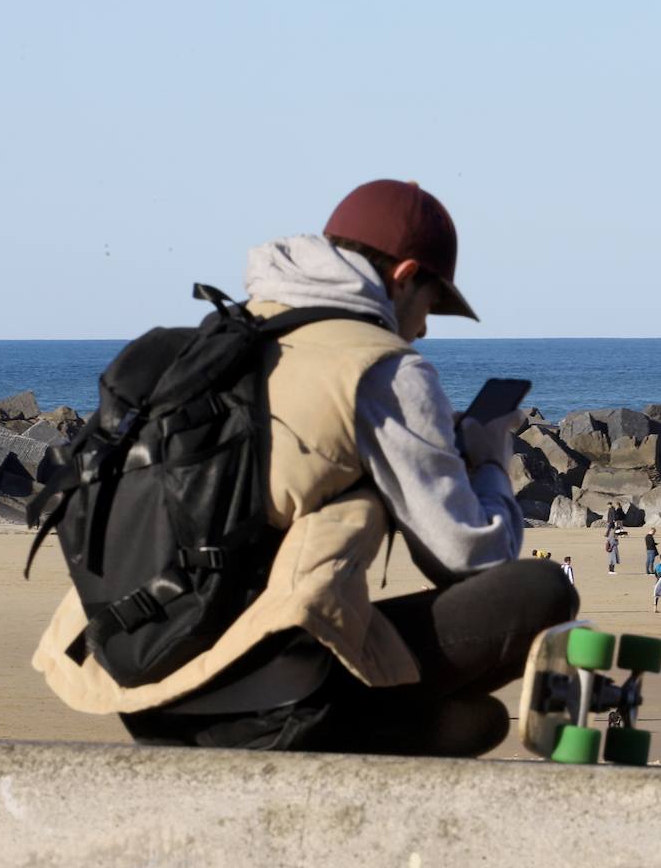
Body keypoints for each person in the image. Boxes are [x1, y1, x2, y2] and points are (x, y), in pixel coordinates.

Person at [35, 179, 577, 757]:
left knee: (471, 723)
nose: (423, 329)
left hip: (136, 687)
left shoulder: (225, 337)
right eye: (430, 305)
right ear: (404, 276)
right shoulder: (381, 367)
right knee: (542, 590)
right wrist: (490, 458)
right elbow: (469, 558)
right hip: (262, 697)